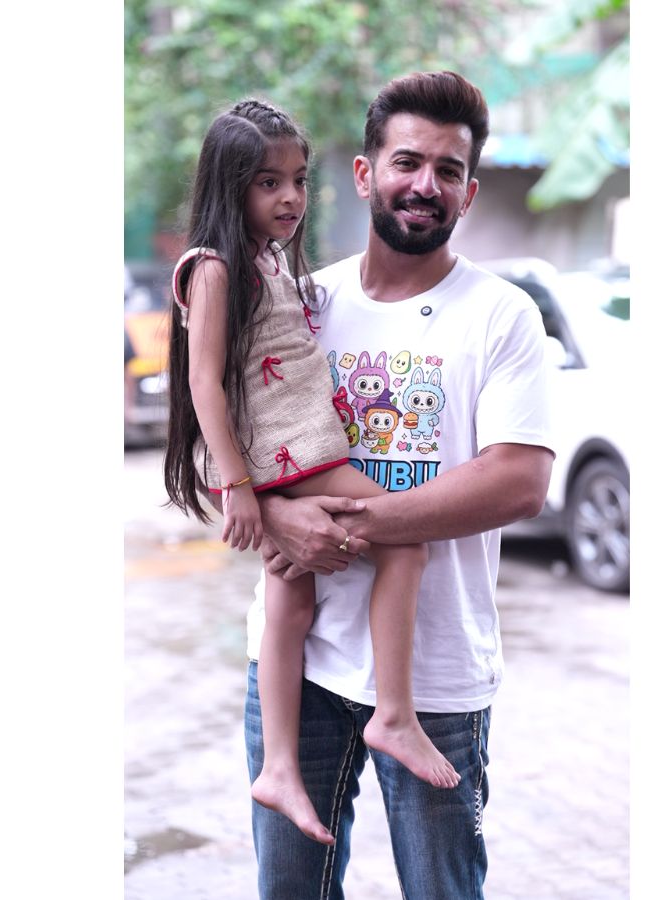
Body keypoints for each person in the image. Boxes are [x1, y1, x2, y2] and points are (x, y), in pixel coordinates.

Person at [247, 72, 556, 899]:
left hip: (438, 678)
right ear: (364, 173)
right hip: (298, 658)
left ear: (470, 192)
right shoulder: (303, 303)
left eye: (449, 170)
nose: (426, 185)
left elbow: (519, 482)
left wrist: (350, 526)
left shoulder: (502, 315)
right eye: (408, 162)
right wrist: (276, 515)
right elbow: (230, 440)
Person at [163, 99, 461, 847]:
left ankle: (279, 767)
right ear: (229, 185)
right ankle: (394, 715)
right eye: (269, 183)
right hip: (291, 459)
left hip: (293, 457)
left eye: (298, 180)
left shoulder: (268, 263)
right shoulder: (214, 268)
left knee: (289, 606)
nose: (290, 197)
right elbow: (203, 383)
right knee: (405, 541)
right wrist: (240, 489)